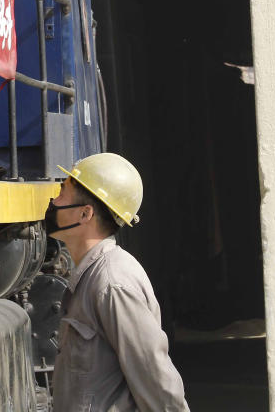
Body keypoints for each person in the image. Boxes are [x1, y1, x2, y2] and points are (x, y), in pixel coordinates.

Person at [46, 152, 189, 411]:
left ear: (85, 214)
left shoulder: (112, 284)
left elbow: (156, 381)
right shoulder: (93, 276)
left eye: (62, 193)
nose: (53, 201)